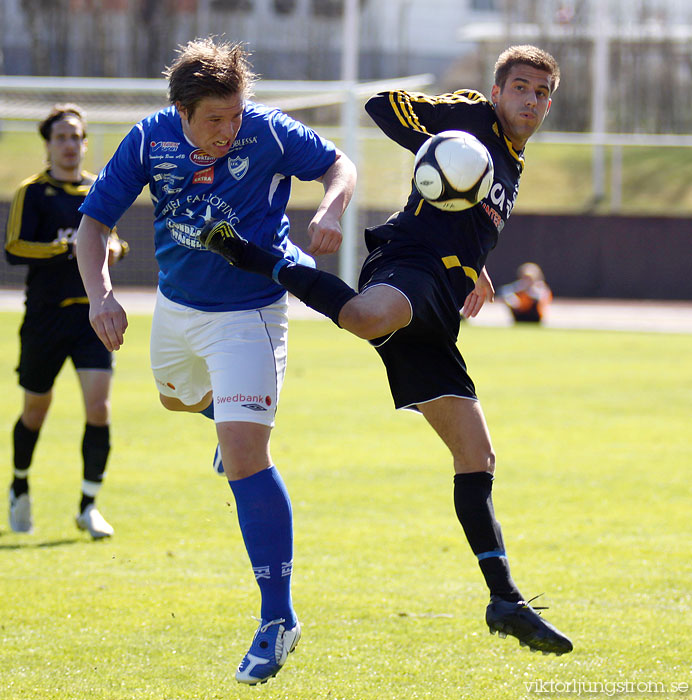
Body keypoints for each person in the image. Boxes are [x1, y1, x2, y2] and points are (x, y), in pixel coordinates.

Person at [200, 45, 573, 656]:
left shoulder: (512, 156)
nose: (530, 100)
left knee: (476, 455)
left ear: (547, 104)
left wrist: (474, 266)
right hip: (409, 263)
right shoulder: (475, 118)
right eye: (520, 88)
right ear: (499, 91)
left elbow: (467, 212)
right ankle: (247, 252)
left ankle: (504, 601)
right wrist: (439, 144)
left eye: (540, 93)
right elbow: (384, 105)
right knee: (369, 317)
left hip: (440, 307)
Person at [75, 38, 356, 685]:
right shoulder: (149, 140)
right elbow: (93, 226)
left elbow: (338, 165)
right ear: (181, 111)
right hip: (176, 310)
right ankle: (222, 423)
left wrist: (334, 206)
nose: (230, 129)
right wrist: (102, 298)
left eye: (235, 114)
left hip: (252, 313)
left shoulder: (268, 132)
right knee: (177, 399)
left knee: (245, 457)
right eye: (214, 119)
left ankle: (277, 620)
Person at [4, 104, 128, 539]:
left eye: (76, 136)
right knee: (36, 410)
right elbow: (15, 247)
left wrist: (115, 249)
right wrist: (64, 250)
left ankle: (88, 505)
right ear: (48, 144)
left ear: (85, 142)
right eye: (61, 137)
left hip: (90, 317)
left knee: (99, 407)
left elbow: (115, 239)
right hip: (45, 318)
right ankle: (19, 485)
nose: (70, 145)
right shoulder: (33, 192)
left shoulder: (98, 190)